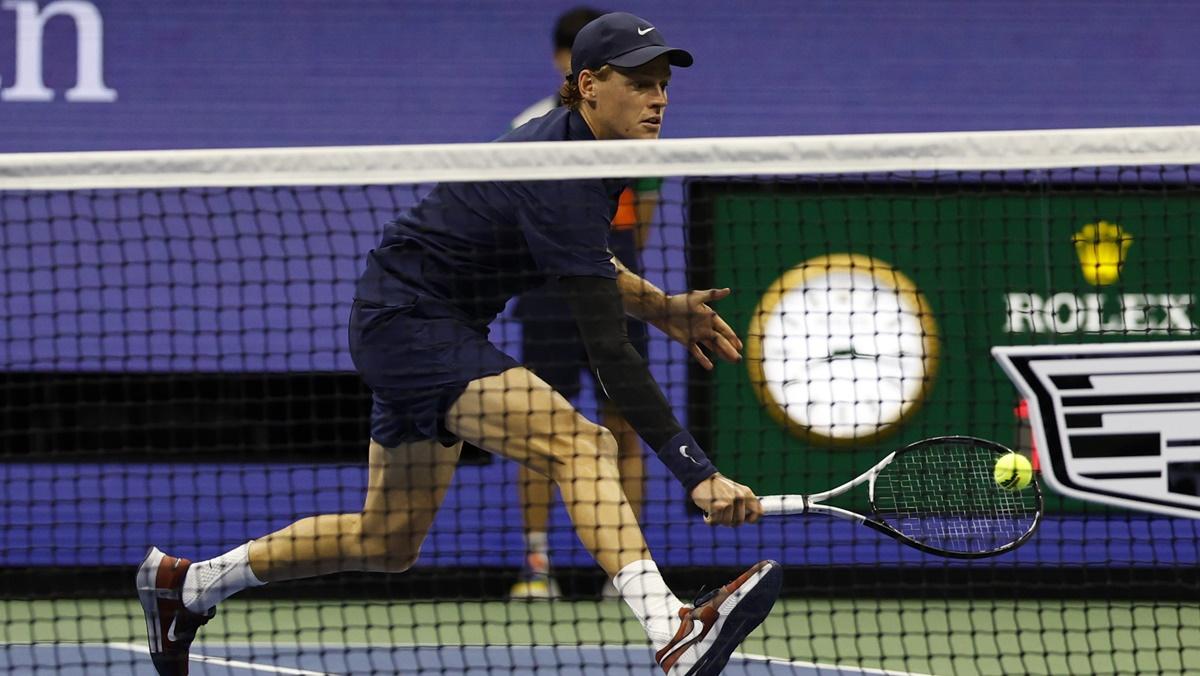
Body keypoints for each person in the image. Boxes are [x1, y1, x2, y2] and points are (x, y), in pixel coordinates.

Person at [137, 12, 781, 676]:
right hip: (411, 324)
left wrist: (661, 307)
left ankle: (188, 585)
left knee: (387, 541)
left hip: (418, 326)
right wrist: (698, 474)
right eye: (641, 83)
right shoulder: (559, 169)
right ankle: (672, 629)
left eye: (664, 85)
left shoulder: (588, 155)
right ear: (589, 85)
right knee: (581, 443)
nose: (659, 99)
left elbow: (591, 260)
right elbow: (612, 356)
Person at [508, 6, 663, 601]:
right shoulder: (530, 126)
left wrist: (610, 270)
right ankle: (536, 564)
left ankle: (623, 573)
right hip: (547, 294)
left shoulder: (638, 130)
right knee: (537, 424)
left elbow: (641, 214)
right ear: (565, 63)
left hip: (613, 280)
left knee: (623, 424)